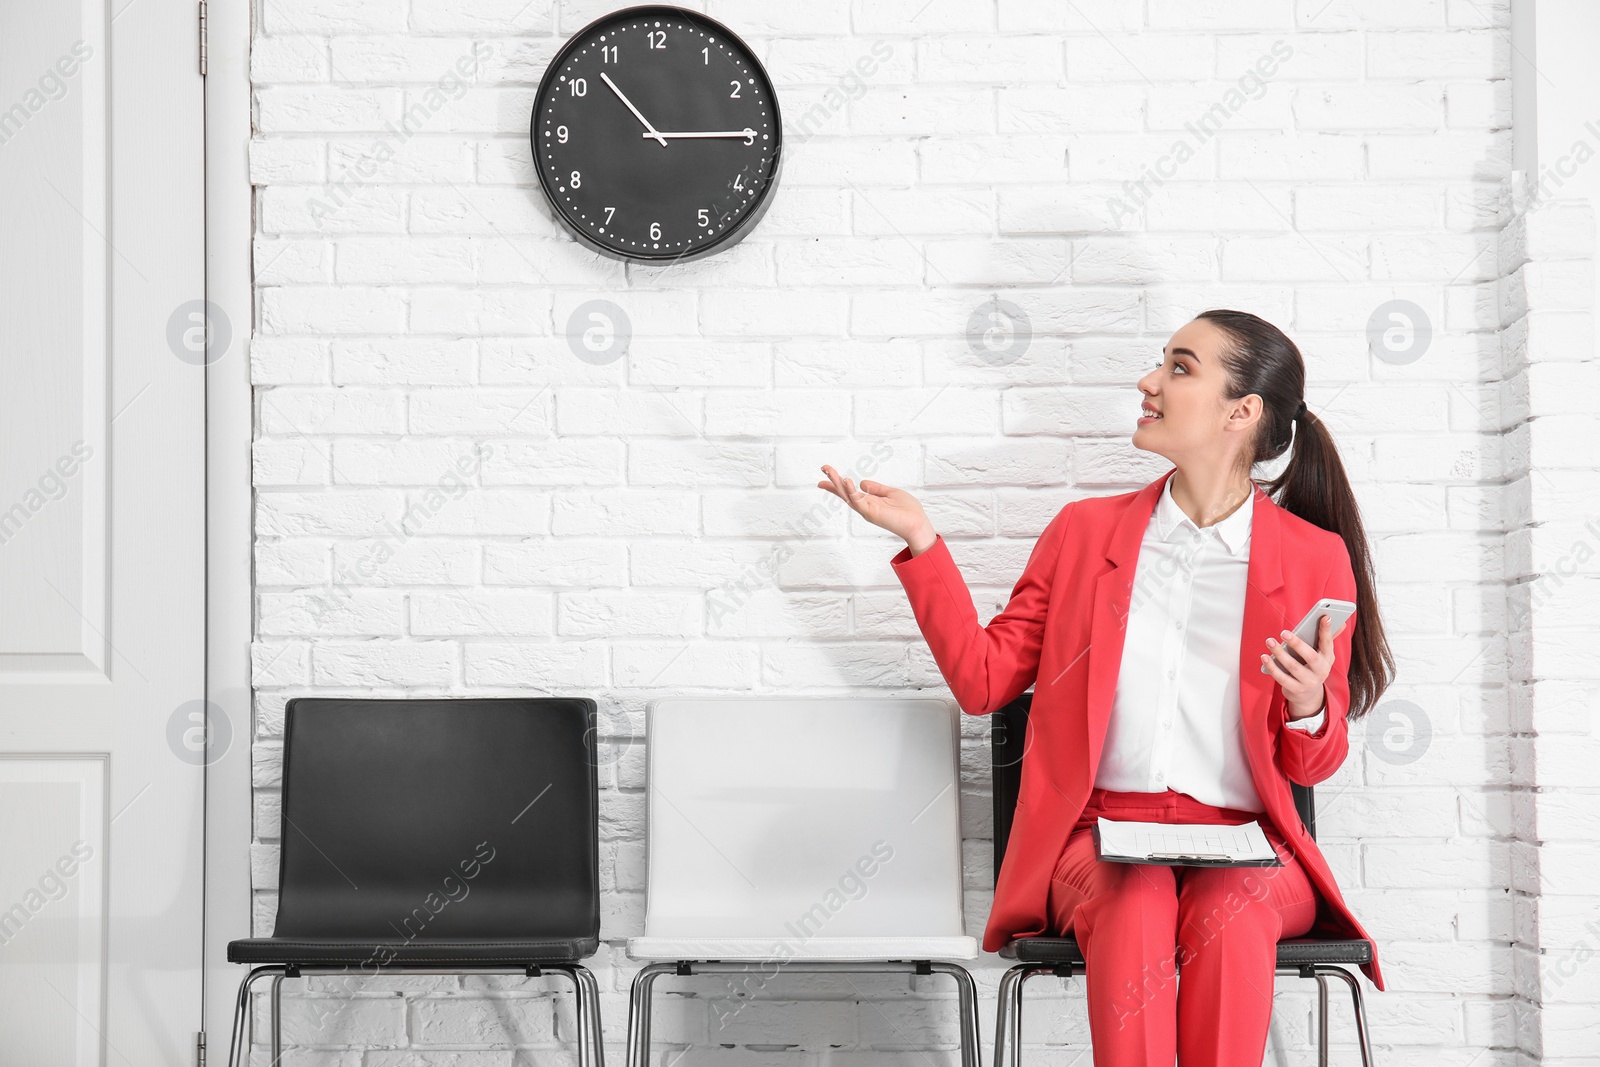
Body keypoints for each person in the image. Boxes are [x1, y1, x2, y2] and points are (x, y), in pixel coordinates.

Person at [817, 309, 1395, 1066]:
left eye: (1180, 367)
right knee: (1135, 894)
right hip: (1102, 839)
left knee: (1232, 904)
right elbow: (984, 680)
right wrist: (923, 544)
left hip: (1252, 848)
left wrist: (1309, 705)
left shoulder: (1313, 557)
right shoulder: (1084, 534)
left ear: (1242, 411)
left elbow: (1313, 764)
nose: (1148, 381)